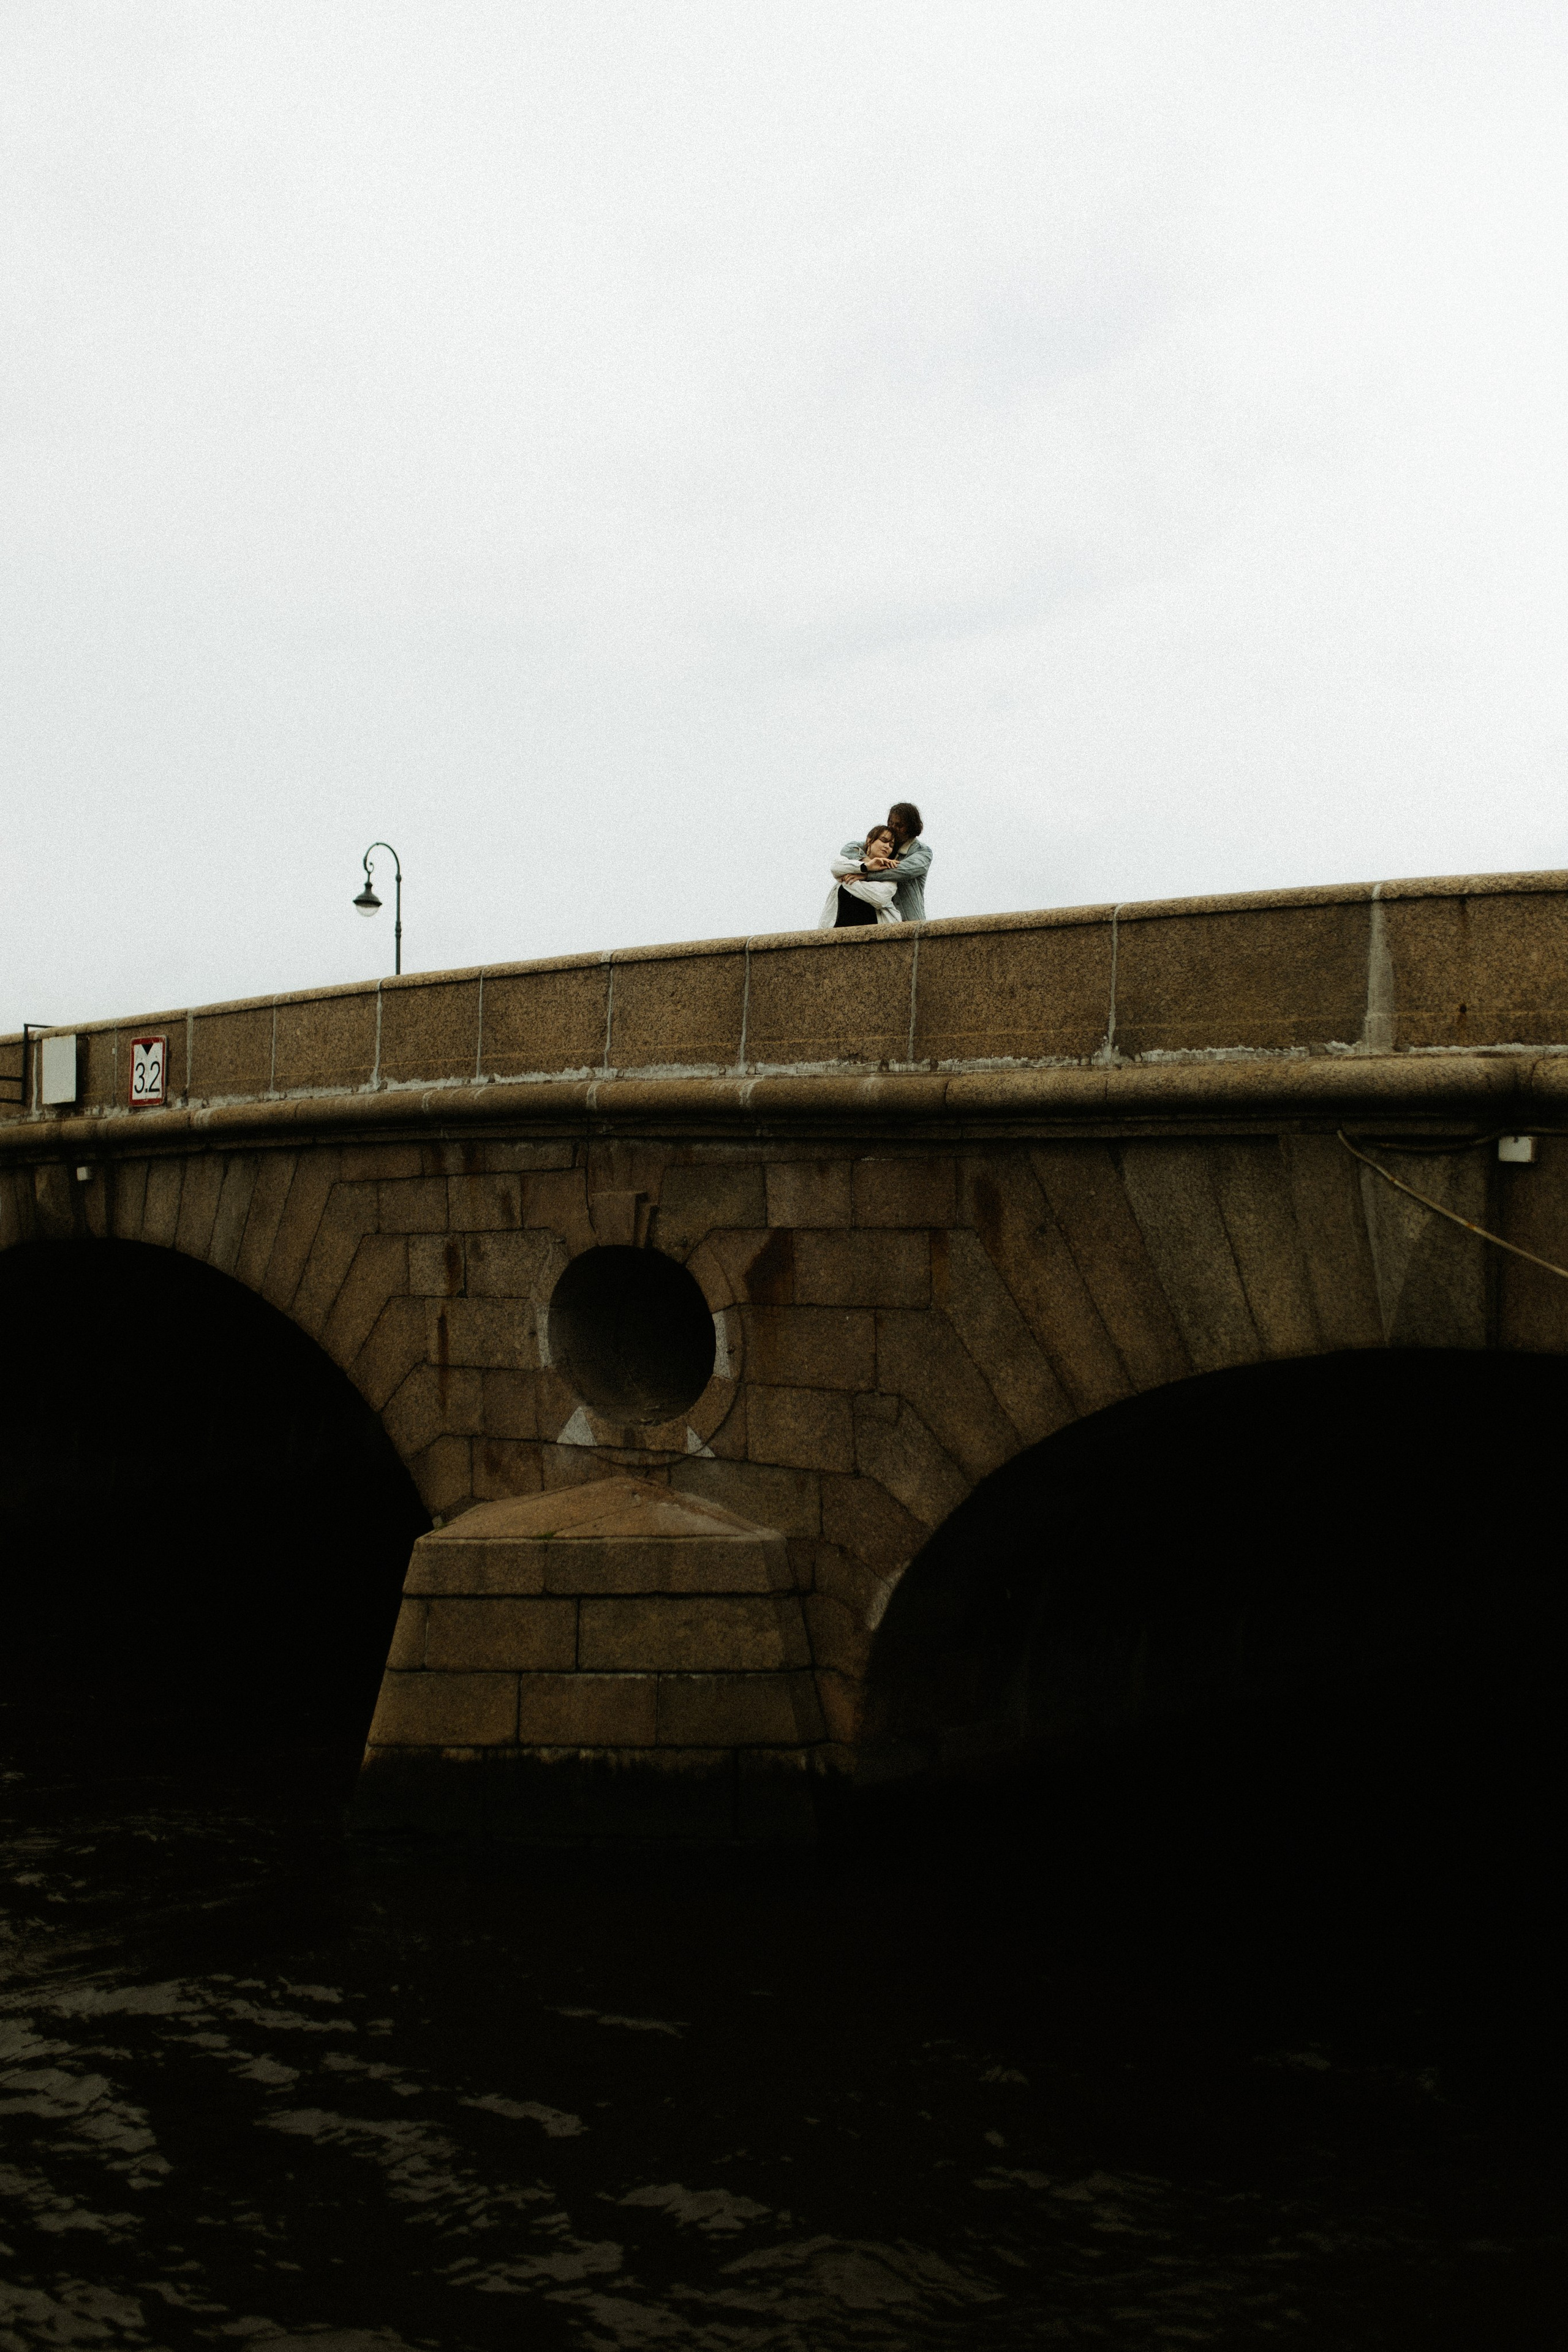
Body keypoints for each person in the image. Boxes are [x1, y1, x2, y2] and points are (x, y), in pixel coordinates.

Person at [839, 801, 930, 924]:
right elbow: (849, 849)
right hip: (883, 920)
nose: (893, 828)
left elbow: (904, 871)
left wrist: (868, 875)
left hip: (910, 921)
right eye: (891, 823)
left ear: (911, 827)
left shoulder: (923, 852)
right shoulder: (884, 847)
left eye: (899, 825)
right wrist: (868, 864)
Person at [820, 823, 902, 928]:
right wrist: (866, 867)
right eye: (884, 840)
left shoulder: (890, 871)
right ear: (869, 840)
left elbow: (880, 897)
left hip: (875, 935)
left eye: (891, 845)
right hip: (839, 933)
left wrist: (848, 882)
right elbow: (835, 867)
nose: (887, 846)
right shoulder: (851, 859)